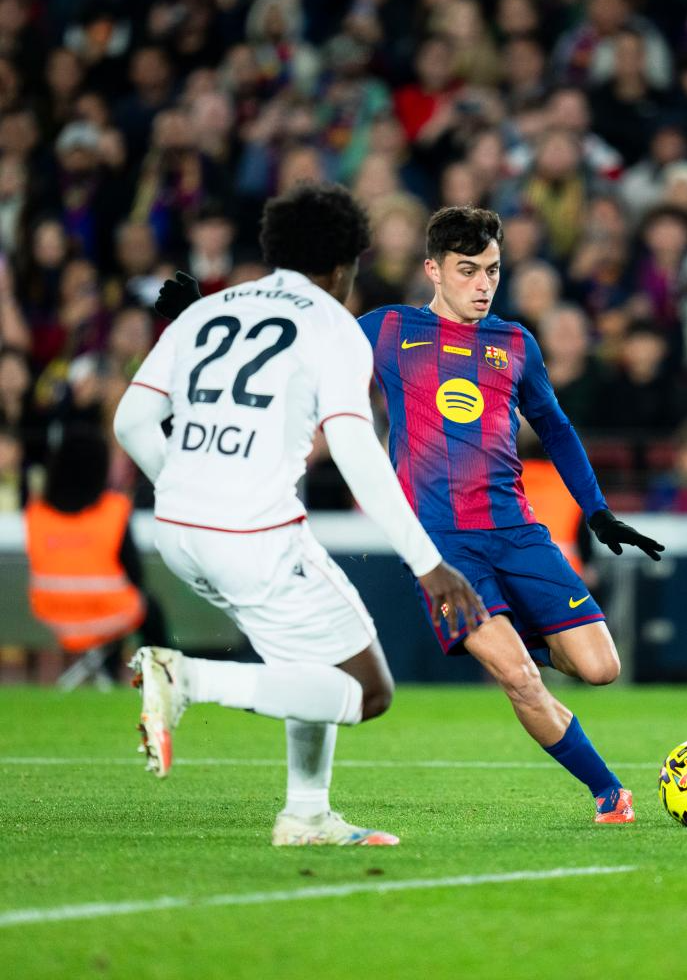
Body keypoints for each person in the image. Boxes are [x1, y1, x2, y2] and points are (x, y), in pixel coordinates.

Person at [115, 182, 485, 847]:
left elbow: (132, 421)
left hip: (176, 528)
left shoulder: (205, 311)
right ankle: (186, 677)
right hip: (253, 534)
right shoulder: (333, 326)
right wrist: (429, 563)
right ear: (345, 263)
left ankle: (306, 815)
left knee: (308, 661)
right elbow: (354, 449)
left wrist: (186, 489)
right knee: (366, 691)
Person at [356, 206, 664, 824]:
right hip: (441, 548)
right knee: (519, 677)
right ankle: (609, 794)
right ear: (433, 270)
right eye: (467, 270)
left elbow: (555, 427)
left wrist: (598, 512)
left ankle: (510, 635)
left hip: (519, 534)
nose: (483, 284)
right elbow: (300, 340)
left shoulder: (514, 342)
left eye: (493, 270)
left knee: (600, 668)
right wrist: (201, 310)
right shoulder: (386, 330)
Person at [24, 426, 169, 686]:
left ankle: (105, 673)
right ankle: (160, 680)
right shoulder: (114, 510)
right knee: (144, 607)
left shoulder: (36, 513)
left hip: (50, 616)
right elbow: (134, 574)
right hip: (109, 615)